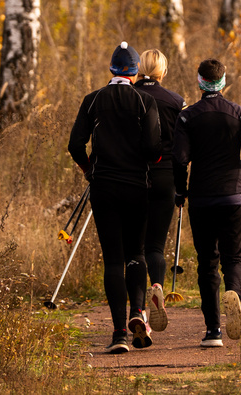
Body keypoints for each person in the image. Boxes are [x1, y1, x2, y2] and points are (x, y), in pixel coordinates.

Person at [173, 58, 241, 348]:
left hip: (202, 199)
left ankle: (213, 331)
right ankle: (234, 294)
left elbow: (179, 159)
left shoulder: (187, 117)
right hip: (233, 196)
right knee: (233, 258)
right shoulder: (239, 114)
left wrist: (180, 191)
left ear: (200, 82)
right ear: (223, 81)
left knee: (207, 263)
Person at [68, 42, 162, 354]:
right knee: (137, 252)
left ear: (111, 70)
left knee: (113, 259)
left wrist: (88, 169)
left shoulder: (93, 100)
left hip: (104, 187)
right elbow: (152, 149)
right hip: (137, 186)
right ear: (135, 73)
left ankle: (120, 333)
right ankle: (138, 311)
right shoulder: (145, 101)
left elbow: (75, 144)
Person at [133, 49, 186, 333]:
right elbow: (184, 145)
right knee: (155, 245)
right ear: (162, 72)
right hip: (166, 177)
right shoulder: (176, 101)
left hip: (134, 177)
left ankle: (140, 311)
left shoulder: (130, 96)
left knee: (136, 247)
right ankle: (158, 286)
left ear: (139, 69)